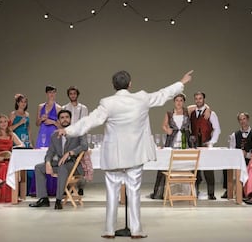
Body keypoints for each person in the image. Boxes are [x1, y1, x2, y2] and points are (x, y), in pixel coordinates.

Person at [57, 70, 194, 239]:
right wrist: (181, 82)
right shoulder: (142, 98)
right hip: (135, 154)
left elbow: (89, 121)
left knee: (112, 193)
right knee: (134, 193)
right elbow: (163, 94)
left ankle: (109, 229)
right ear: (130, 84)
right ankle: (136, 230)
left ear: (114, 86)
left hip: (113, 156)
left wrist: (68, 130)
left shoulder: (107, 103)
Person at [29, 110, 88, 209]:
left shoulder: (78, 132)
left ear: (70, 119)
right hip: (60, 164)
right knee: (39, 168)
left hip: (73, 165)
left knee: (62, 167)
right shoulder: (54, 135)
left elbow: (85, 146)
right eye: (62, 117)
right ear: (59, 120)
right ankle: (43, 199)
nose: (65, 119)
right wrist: (48, 162)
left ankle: (58, 200)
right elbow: (50, 152)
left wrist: (70, 153)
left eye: (67, 117)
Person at [149, 93, 191, 200]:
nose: (179, 102)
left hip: (185, 142)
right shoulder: (169, 113)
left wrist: (208, 109)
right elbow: (164, 125)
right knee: (166, 164)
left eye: (181, 100)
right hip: (172, 141)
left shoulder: (187, 111)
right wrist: (167, 130)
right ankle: (161, 192)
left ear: (184, 102)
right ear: (174, 102)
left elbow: (199, 106)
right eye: (177, 100)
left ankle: (184, 192)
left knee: (185, 165)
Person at [30, 85, 62, 196]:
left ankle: (52, 189)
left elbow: (60, 126)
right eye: (49, 92)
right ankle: (39, 189)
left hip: (52, 134)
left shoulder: (58, 108)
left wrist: (52, 122)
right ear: (46, 94)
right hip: (42, 134)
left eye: (53, 92)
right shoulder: (41, 106)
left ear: (55, 93)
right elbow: (37, 123)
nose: (51, 94)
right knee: (40, 159)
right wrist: (41, 119)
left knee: (52, 159)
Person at [0, 114, 23, 203]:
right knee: (4, 167)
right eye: (1, 122)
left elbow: (21, 144)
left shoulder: (11, 134)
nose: (3, 124)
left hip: (6, 159)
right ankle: (0, 195)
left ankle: (11, 195)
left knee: (11, 167)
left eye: (5, 121)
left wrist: (12, 150)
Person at [189, 91, 221, 200]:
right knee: (195, 169)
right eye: (196, 98)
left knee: (208, 169)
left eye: (200, 98)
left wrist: (211, 142)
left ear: (204, 99)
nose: (198, 100)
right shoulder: (192, 113)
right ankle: (195, 192)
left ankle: (211, 193)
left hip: (205, 143)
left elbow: (217, 129)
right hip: (194, 144)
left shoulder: (211, 114)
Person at [62, 86, 91, 196]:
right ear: (68, 95)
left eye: (74, 93)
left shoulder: (83, 108)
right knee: (68, 160)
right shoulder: (65, 107)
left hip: (79, 136)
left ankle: (81, 187)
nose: (72, 95)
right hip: (68, 137)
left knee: (81, 162)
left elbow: (86, 123)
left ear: (77, 94)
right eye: (70, 94)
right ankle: (68, 187)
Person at [221, 112, 252, 199]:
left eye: (244, 119)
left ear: (248, 119)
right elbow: (232, 150)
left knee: (251, 166)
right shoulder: (234, 135)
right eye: (240, 119)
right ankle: (228, 189)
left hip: (249, 159)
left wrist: (246, 154)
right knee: (226, 166)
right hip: (237, 160)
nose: (242, 121)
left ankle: (247, 190)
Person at [9, 93, 33, 195]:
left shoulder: (27, 114)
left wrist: (30, 141)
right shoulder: (13, 114)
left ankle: (26, 190)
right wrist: (19, 123)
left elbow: (28, 128)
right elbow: (9, 129)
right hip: (17, 138)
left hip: (25, 139)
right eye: (21, 102)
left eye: (25, 102)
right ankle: (17, 190)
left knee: (28, 165)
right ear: (17, 103)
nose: (23, 104)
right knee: (18, 165)